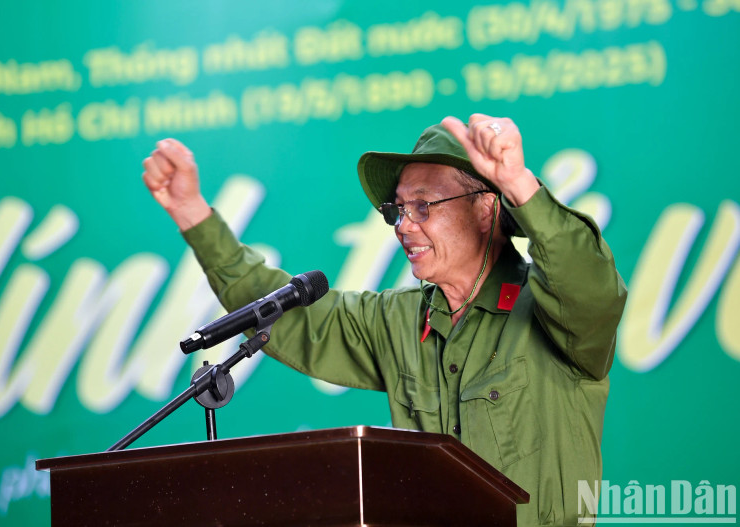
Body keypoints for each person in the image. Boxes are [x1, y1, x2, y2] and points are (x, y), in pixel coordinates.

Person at [142, 114, 627, 526]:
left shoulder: (557, 311)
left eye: (424, 206)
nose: (403, 225)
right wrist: (191, 213)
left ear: (485, 209)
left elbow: (588, 282)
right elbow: (292, 317)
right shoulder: (398, 319)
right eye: (398, 209)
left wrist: (519, 185)